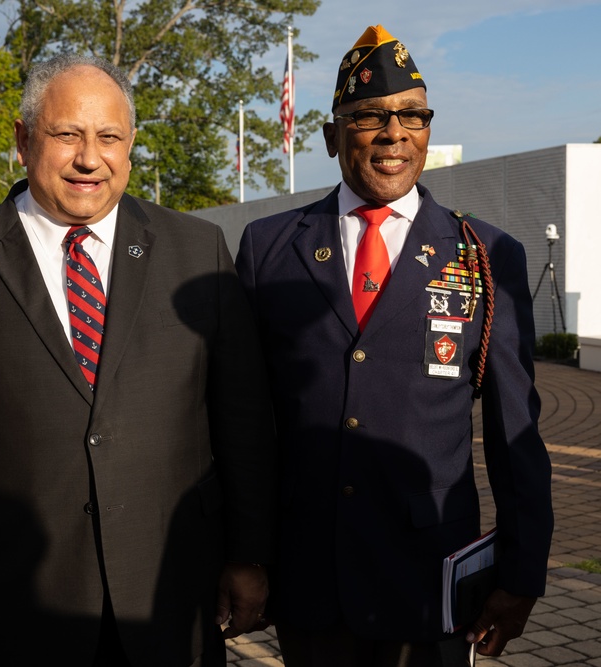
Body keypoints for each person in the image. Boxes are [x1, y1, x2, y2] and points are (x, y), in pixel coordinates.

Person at [0, 53, 276, 666]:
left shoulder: (199, 253)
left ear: (130, 145)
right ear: (23, 139)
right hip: (8, 606)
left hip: (169, 598)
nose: (89, 158)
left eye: (109, 137)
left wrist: (248, 555)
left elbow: (242, 423)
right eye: (67, 134)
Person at [235, 25, 553, 667]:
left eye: (413, 115)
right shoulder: (269, 248)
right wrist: (245, 553)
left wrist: (522, 573)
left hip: (428, 579)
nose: (393, 133)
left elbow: (515, 428)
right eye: (369, 117)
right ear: (330, 136)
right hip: (309, 578)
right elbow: (245, 422)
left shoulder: (486, 255)